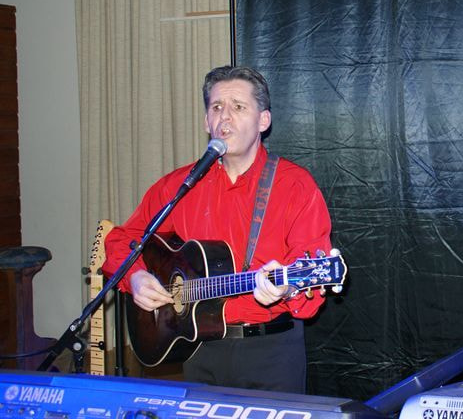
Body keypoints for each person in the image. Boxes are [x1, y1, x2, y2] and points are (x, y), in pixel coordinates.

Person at [103, 65, 333, 393]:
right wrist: (136, 277)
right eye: (216, 107)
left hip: (270, 351)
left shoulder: (295, 186)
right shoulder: (180, 185)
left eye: (238, 107)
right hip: (198, 347)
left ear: (263, 120)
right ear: (206, 122)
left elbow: (310, 277)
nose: (225, 116)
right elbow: (122, 239)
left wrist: (286, 288)